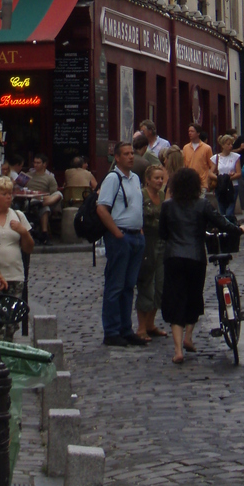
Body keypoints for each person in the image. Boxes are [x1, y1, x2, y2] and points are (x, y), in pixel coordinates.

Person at [159, 166, 236, 363]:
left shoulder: (167, 206)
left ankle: (177, 350)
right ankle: (188, 338)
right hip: (195, 256)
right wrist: (240, 229)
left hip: (173, 257)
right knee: (194, 296)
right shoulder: (202, 205)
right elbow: (222, 223)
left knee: (176, 298)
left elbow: (162, 233)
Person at [96, 142, 146, 348]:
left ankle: (126, 329)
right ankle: (112, 330)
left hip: (136, 236)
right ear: (117, 158)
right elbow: (102, 209)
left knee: (129, 286)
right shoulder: (112, 179)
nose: (131, 157)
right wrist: (117, 234)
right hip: (121, 237)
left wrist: (140, 231)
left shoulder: (134, 178)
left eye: (132, 153)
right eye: (126, 154)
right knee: (115, 285)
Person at [0, 175, 35, 339]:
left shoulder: (17, 216)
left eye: (10, 194)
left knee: (11, 322)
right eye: (4, 194)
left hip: (15, 273)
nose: (8, 197)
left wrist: (23, 232)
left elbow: (29, 248)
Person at [136, 164, 167, 341]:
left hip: (161, 241)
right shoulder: (142, 195)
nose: (160, 181)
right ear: (147, 180)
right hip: (147, 241)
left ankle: (151, 323)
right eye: (156, 178)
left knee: (160, 284)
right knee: (146, 283)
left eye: (161, 178)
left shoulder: (162, 195)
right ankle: (141, 327)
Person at [27, 153, 63, 244]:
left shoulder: (50, 178)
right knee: (45, 208)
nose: (35, 165)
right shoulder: (27, 175)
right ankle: (44, 233)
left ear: (44, 164)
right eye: (34, 163)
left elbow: (53, 193)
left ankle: (40, 205)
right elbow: (18, 188)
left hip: (45, 199)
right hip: (30, 199)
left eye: (38, 163)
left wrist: (43, 197)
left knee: (58, 194)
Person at [209, 134, 240, 219]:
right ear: (222, 145)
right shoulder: (216, 157)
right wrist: (220, 179)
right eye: (228, 144)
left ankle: (229, 225)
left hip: (233, 185)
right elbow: (210, 173)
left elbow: (239, 173)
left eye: (231, 144)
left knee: (230, 210)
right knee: (222, 209)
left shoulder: (235, 157)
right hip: (221, 186)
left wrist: (229, 178)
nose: (231, 146)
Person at [182, 124, 214, 191]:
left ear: (198, 133)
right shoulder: (185, 148)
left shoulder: (207, 148)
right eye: (189, 131)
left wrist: (209, 180)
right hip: (188, 182)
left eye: (192, 131)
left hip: (202, 183)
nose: (190, 133)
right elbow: (184, 165)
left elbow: (211, 166)